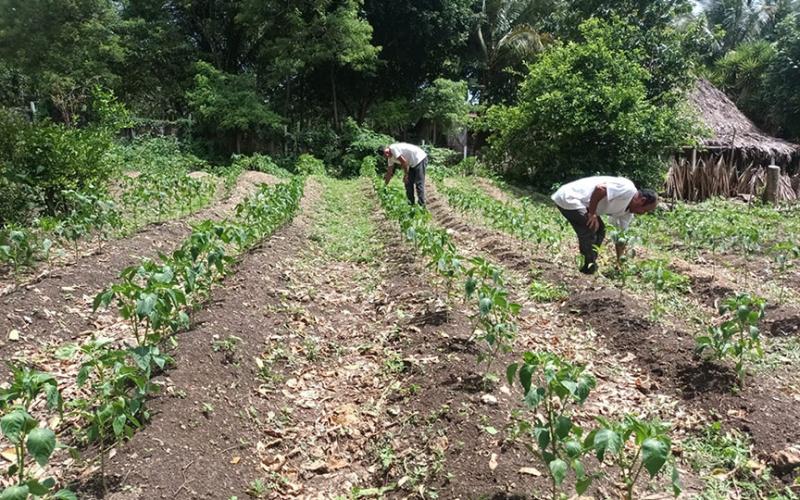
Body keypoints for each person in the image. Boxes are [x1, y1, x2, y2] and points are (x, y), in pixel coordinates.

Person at [551, 176, 657, 274]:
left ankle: (590, 264)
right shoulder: (628, 189)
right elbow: (600, 189)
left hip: (583, 204)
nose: (643, 213)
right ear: (642, 200)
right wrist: (592, 214)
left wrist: (620, 261)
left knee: (601, 230)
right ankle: (588, 268)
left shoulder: (627, 213)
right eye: (645, 210)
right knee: (590, 228)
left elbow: (620, 237)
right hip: (570, 197)